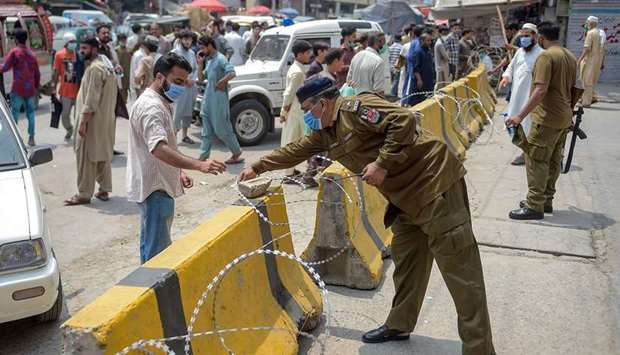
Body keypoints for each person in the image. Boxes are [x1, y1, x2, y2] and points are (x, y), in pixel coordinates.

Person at [238, 77, 496, 355]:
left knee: (461, 273)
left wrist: (381, 163)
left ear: (323, 103)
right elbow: (295, 151)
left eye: (307, 109)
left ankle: (479, 349)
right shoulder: (327, 131)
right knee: (408, 266)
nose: (306, 116)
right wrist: (258, 167)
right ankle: (399, 324)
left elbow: (404, 120)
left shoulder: (355, 108)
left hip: (434, 186)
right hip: (404, 199)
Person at [127, 53, 226, 263]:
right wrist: (199, 165)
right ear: (160, 78)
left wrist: (179, 171)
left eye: (184, 82)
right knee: (157, 256)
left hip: (159, 183)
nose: (181, 87)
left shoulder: (161, 101)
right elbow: (159, 149)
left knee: (153, 246)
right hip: (155, 188)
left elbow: (164, 145)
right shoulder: (151, 107)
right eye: (177, 82)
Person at [506, 22, 577, 220]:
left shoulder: (545, 56)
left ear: (541, 38)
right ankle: (546, 200)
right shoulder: (570, 56)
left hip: (547, 117)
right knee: (554, 160)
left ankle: (534, 205)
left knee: (536, 159)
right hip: (563, 116)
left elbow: (540, 89)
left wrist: (519, 115)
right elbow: (573, 89)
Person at [64, 36, 118, 206]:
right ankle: (104, 189)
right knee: (102, 154)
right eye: (81, 48)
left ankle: (84, 194)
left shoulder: (95, 69)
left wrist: (83, 122)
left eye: (85, 48)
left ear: (94, 49)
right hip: (106, 120)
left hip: (93, 121)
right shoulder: (107, 66)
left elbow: (91, 100)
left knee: (86, 157)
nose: (81, 51)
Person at [499, 23, 543, 166]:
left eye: (527, 36)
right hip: (517, 96)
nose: (524, 39)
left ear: (535, 36)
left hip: (531, 98)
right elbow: (511, 68)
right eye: (522, 36)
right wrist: (506, 77)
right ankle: (526, 152)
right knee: (519, 126)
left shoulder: (541, 55)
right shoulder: (520, 52)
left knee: (529, 125)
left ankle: (527, 155)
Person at [197, 35, 243, 164]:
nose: (201, 50)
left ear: (209, 46)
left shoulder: (221, 59)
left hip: (218, 99)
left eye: (202, 48)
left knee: (221, 129)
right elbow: (200, 79)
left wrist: (222, 82)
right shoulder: (210, 60)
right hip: (208, 99)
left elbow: (232, 73)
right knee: (206, 130)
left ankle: (236, 152)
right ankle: (203, 155)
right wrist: (199, 64)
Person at [0, 29, 40, 146]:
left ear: (16, 40)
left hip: (17, 88)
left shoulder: (15, 52)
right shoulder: (32, 54)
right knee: (31, 114)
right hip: (30, 89)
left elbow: (4, 68)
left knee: (14, 114)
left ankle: (14, 139)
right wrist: (36, 87)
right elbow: (37, 74)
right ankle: (31, 138)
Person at [280, 40, 313, 180]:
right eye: (307, 53)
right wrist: (284, 111)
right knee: (294, 141)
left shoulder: (296, 68)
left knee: (294, 140)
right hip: (295, 110)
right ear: (299, 54)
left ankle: (290, 171)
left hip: (296, 110)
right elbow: (289, 94)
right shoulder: (297, 72)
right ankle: (288, 173)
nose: (309, 55)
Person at [172, 30, 198, 144]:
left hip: (191, 86)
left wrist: (192, 79)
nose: (187, 42)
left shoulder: (192, 53)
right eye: (185, 39)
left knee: (188, 112)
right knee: (178, 112)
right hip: (179, 86)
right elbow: (172, 70)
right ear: (181, 39)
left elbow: (195, 69)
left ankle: (185, 135)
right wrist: (184, 80)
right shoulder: (175, 52)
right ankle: (172, 137)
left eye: (189, 39)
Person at [52, 32, 79, 142]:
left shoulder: (79, 54)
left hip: (78, 91)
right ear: (66, 43)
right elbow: (56, 72)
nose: (74, 44)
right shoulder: (59, 55)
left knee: (78, 115)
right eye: (71, 42)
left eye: (74, 42)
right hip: (65, 92)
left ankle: (78, 134)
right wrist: (53, 87)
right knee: (65, 115)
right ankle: (69, 129)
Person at [578, 16, 602, 107]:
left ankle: (586, 102)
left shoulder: (591, 33)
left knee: (586, 81)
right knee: (590, 80)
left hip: (588, 60)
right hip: (596, 61)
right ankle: (587, 98)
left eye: (587, 22)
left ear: (591, 23)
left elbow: (587, 49)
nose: (586, 24)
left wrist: (579, 60)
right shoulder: (600, 33)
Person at [410, 33, 434, 106]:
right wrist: (419, 80)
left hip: (428, 80)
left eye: (430, 41)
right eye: (428, 41)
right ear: (422, 41)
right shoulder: (418, 52)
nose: (430, 42)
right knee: (419, 101)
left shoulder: (428, 50)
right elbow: (416, 68)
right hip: (421, 81)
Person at [402, 26, 422, 106]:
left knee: (408, 87)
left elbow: (408, 57)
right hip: (413, 69)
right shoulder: (417, 43)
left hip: (411, 68)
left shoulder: (413, 42)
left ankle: (405, 102)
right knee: (409, 88)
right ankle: (406, 103)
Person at [129, 35, 146, 102]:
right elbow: (137, 72)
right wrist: (138, 87)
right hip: (139, 86)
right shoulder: (139, 55)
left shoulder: (140, 53)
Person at [116, 33, 132, 103]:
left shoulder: (128, 50)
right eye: (121, 40)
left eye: (124, 39)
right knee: (121, 89)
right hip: (120, 73)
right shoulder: (116, 50)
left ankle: (124, 102)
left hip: (128, 73)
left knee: (126, 89)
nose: (123, 41)